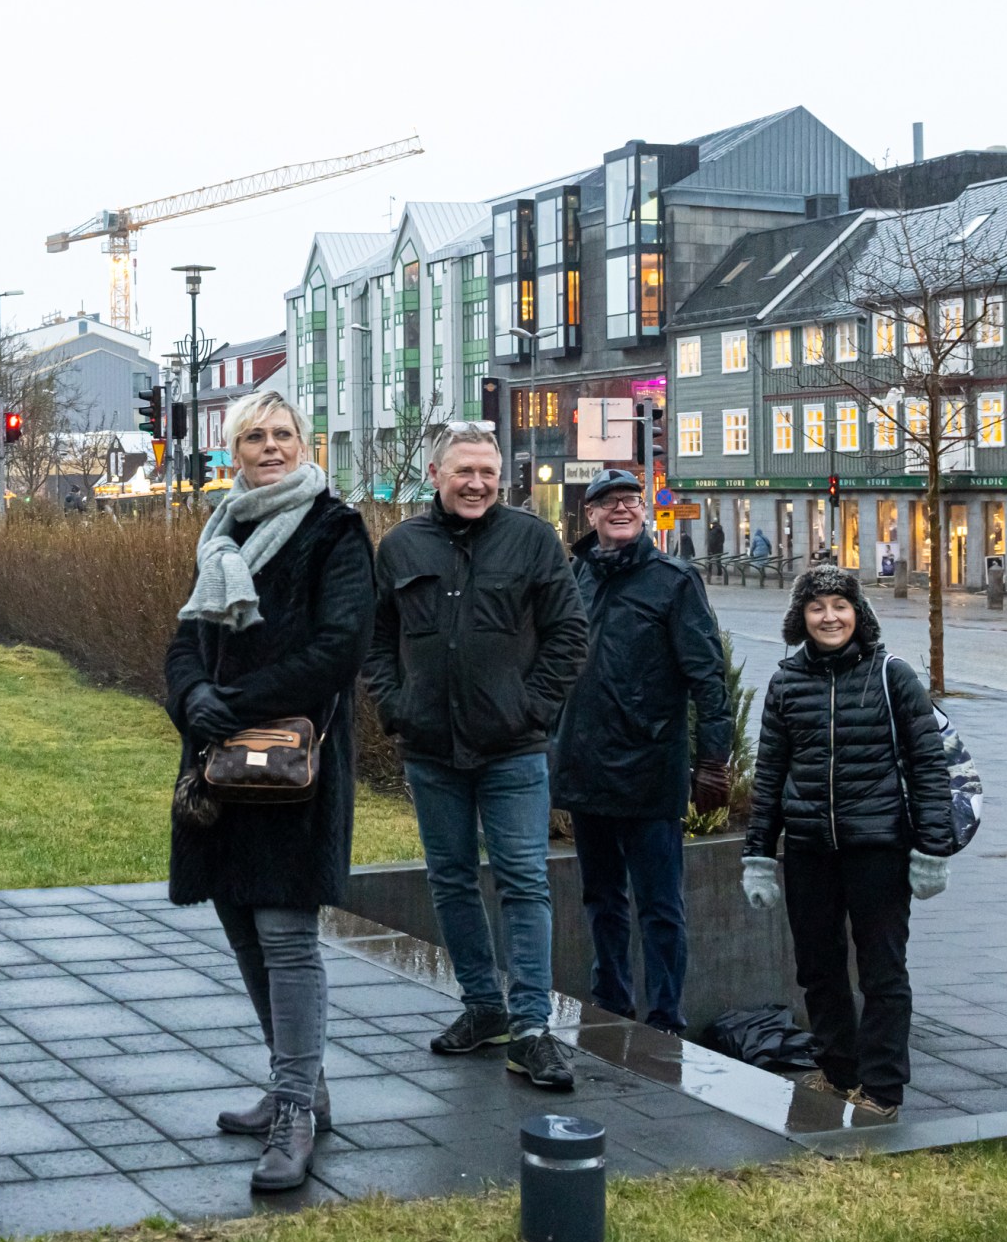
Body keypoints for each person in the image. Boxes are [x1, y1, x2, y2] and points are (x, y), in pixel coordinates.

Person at [164, 391, 372, 1192]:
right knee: (244, 931)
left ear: (303, 443)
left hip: (292, 767)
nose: (271, 446)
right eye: (255, 435)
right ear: (234, 450)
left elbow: (338, 650)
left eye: (283, 434)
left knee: (287, 936)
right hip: (219, 764)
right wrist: (190, 699)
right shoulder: (223, 530)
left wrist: (237, 703)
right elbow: (186, 639)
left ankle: (293, 1115)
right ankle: (301, 1084)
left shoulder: (334, 529)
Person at [364, 422, 587, 1090]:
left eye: (487, 472)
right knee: (452, 880)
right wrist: (395, 704)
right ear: (434, 475)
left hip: (512, 750)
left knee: (523, 880)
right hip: (432, 749)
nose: (477, 483)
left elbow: (569, 633)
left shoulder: (532, 540)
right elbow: (376, 638)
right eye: (464, 471)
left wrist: (531, 707)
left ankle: (531, 1029)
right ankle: (481, 1009)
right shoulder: (402, 546)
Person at [742, 566, 958, 1121]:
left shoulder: (893, 675)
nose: (829, 617)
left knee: (882, 969)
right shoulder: (787, 681)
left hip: (878, 846)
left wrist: (933, 849)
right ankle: (838, 1071)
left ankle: (883, 1088)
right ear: (802, 618)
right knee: (818, 966)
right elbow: (769, 774)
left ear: (858, 612)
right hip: (810, 847)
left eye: (840, 605)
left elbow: (929, 765)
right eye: (817, 608)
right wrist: (758, 855)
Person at [551, 470, 733, 1035]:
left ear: (644, 511)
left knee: (660, 906)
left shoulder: (674, 581)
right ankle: (609, 1005)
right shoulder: (574, 576)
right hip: (586, 767)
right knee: (601, 898)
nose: (622, 509)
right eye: (608, 502)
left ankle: (665, 1019)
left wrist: (712, 760)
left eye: (630, 500)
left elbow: (708, 679)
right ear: (591, 516)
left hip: (651, 769)